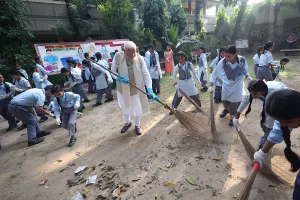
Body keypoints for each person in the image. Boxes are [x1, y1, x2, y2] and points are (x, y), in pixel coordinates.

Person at [253, 89, 300, 199]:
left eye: (287, 122)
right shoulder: (293, 112)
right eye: (278, 121)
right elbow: (279, 130)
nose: (283, 125)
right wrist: (262, 153)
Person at [111, 41, 158, 135]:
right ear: (124, 51)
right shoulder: (118, 57)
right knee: (125, 106)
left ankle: (137, 125)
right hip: (122, 88)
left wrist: (150, 89)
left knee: (137, 107)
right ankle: (127, 122)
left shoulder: (139, 58)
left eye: (134, 52)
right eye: (130, 53)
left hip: (135, 88)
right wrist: (118, 78)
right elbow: (112, 71)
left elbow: (146, 74)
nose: (133, 55)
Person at [233, 80, 287, 150]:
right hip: (269, 100)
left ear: (263, 91)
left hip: (281, 103)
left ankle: (264, 145)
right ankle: (266, 137)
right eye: (251, 93)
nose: (252, 96)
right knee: (265, 123)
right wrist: (236, 118)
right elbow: (245, 101)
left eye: (254, 94)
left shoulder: (275, 94)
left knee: (270, 124)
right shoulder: (258, 91)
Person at [209, 45, 252, 126]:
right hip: (226, 84)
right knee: (225, 101)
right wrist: (211, 84)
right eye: (225, 56)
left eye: (229, 56)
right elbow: (215, 72)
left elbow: (245, 70)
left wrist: (247, 76)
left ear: (236, 53)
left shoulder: (242, 60)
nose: (227, 58)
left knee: (234, 103)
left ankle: (233, 118)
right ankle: (228, 111)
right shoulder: (223, 61)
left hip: (237, 84)